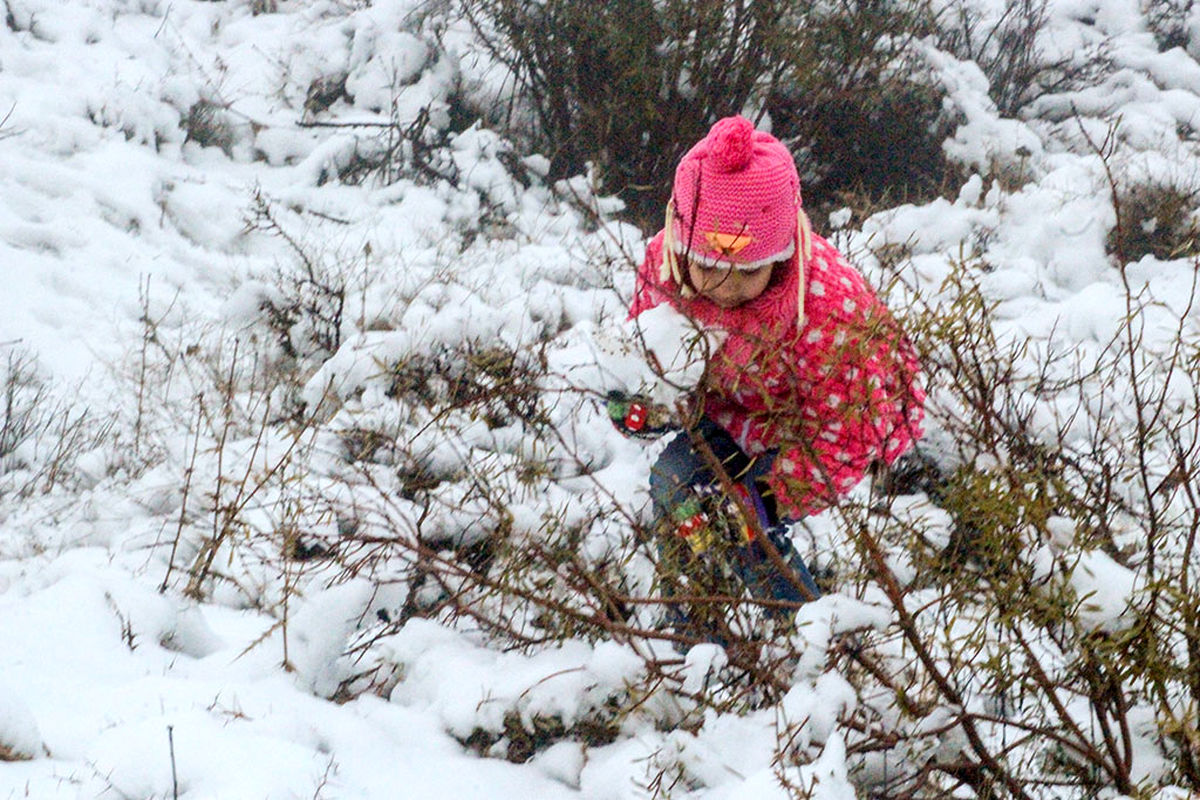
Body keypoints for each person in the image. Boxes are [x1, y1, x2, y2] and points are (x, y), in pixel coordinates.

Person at [606, 115, 925, 636]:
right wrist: (644, 409)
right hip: (733, 410)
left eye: (746, 271)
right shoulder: (665, 269)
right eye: (705, 264)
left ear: (779, 256)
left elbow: (847, 430)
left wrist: (768, 499)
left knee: (746, 529)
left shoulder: (827, 310)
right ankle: (694, 631)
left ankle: (807, 637)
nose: (723, 286)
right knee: (675, 489)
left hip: (815, 424)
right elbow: (657, 367)